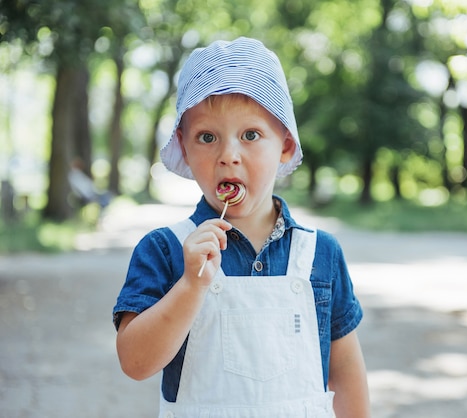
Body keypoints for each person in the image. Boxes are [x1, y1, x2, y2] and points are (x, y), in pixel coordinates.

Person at [113, 37, 370, 417]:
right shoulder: (166, 250)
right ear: (184, 147)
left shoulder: (320, 254)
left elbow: (346, 369)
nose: (228, 156)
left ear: (284, 144)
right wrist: (190, 286)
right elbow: (135, 363)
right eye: (207, 137)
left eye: (250, 135)